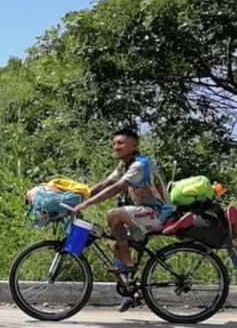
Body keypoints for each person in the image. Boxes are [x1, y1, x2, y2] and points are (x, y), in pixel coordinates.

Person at [72, 126, 173, 309]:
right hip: (143, 212)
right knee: (115, 243)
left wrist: (87, 204)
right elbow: (106, 184)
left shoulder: (140, 165)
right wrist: (80, 197)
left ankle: (127, 262)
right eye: (114, 143)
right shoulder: (125, 165)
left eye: (120, 143)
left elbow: (118, 187)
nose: (115, 146)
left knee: (113, 214)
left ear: (134, 145)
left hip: (158, 213)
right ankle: (131, 291)